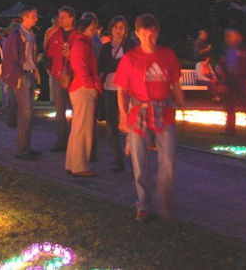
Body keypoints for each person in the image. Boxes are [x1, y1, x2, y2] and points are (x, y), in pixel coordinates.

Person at [115, 13, 184, 222]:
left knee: (169, 160)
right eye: (144, 36)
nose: (149, 40)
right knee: (139, 160)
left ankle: (164, 196)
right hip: (139, 113)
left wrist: (180, 100)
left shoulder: (168, 55)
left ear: (158, 33)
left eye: (152, 36)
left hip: (164, 112)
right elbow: (122, 89)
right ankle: (143, 203)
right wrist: (122, 115)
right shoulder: (130, 59)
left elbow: (175, 83)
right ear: (137, 34)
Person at [2, 6, 42, 161]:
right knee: (25, 113)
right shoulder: (16, 35)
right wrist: (16, 76)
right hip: (22, 76)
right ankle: (21, 150)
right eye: (33, 16)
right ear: (25, 17)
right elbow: (11, 57)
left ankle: (26, 147)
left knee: (29, 113)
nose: (36, 18)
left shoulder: (31, 34)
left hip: (30, 74)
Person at [66, 17, 101, 177]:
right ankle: (79, 166)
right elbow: (81, 67)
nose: (94, 32)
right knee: (83, 129)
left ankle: (72, 163)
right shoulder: (82, 45)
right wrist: (91, 85)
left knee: (78, 128)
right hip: (83, 88)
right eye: (91, 29)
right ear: (84, 30)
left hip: (79, 87)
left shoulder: (81, 43)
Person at [98, 15, 134, 173]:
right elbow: (102, 67)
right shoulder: (106, 48)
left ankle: (135, 157)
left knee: (131, 124)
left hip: (127, 90)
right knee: (111, 126)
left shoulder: (130, 46)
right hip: (110, 88)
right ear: (111, 29)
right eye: (116, 27)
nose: (119, 31)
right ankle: (118, 160)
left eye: (121, 27)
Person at [45, 6, 78, 152]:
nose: (61, 19)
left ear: (72, 18)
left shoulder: (78, 35)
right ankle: (61, 140)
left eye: (64, 16)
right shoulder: (55, 35)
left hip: (74, 77)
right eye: (60, 16)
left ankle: (74, 140)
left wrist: (73, 55)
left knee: (75, 110)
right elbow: (48, 55)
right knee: (60, 110)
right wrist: (52, 69)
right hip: (58, 76)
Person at [220, 29, 246, 135]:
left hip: (241, 79)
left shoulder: (244, 49)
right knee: (230, 105)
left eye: (230, 36)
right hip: (231, 80)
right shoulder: (228, 49)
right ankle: (230, 129)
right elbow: (226, 65)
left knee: (245, 104)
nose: (228, 39)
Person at [43, 15, 59, 104]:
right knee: (52, 79)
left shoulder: (61, 30)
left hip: (59, 58)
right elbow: (46, 44)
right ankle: (53, 99)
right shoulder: (50, 31)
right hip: (51, 58)